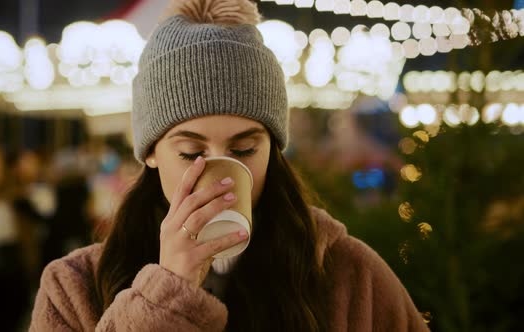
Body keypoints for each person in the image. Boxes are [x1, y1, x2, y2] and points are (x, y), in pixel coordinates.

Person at [29, 0, 429, 331]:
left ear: (273, 149)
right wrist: (166, 294)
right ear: (150, 152)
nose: (218, 175)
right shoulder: (73, 289)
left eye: (245, 150)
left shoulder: (348, 275)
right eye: (189, 153)